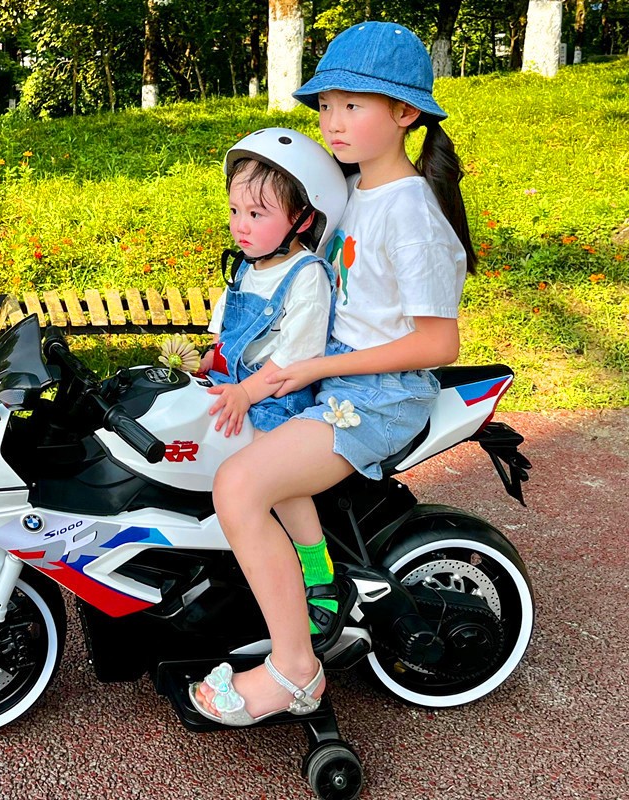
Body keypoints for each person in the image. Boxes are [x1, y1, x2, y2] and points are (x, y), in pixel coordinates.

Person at [189, 21, 478, 726]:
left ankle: (295, 670)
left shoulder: (412, 214)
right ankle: (306, 584)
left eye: (353, 105)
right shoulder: (353, 190)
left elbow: (438, 343)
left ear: (405, 113)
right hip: (327, 377)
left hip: (378, 397)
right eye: (326, 106)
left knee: (239, 485)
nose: (333, 122)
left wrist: (313, 367)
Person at [202, 127, 347, 438]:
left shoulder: (306, 276)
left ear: (303, 219)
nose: (240, 226)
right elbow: (224, 332)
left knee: (251, 460)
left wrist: (245, 393)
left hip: (274, 399)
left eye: (256, 214)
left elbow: (295, 357)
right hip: (232, 385)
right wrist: (210, 357)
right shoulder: (245, 267)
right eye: (234, 210)